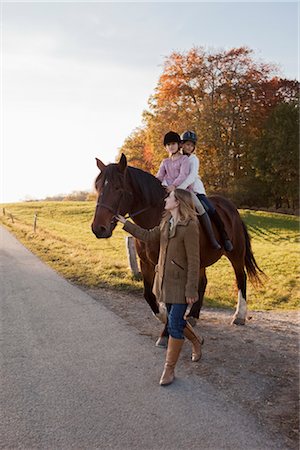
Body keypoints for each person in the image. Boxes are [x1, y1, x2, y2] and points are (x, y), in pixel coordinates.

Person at [116, 189, 203, 386]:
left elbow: (194, 260)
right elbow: (147, 236)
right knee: (175, 319)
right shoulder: (166, 222)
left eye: (169, 197)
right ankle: (196, 340)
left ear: (178, 202)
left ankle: (169, 369)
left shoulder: (189, 226)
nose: (166, 199)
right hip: (165, 281)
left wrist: (191, 289)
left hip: (181, 284)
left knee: (173, 324)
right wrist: (125, 223)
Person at [157, 131, 221, 250]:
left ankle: (212, 238)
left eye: (191, 146)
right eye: (168, 144)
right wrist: (155, 185)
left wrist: (175, 187)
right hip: (170, 190)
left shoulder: (187, 160)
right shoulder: (165, 162)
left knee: (201, 208)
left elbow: (185, 176)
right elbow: (160, 176)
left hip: (187, 190)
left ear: (178, 145)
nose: (189, 147)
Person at [179, 130, 233, 252]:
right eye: (187, 144)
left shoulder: (194, 159)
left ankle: (223, 238)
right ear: (182, 144)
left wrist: (179, 189)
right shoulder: (178, 158)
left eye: (192, 145)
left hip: (195, 192)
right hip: (180, 192)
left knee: (210, 210)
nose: (189, 147)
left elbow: (192, 177)